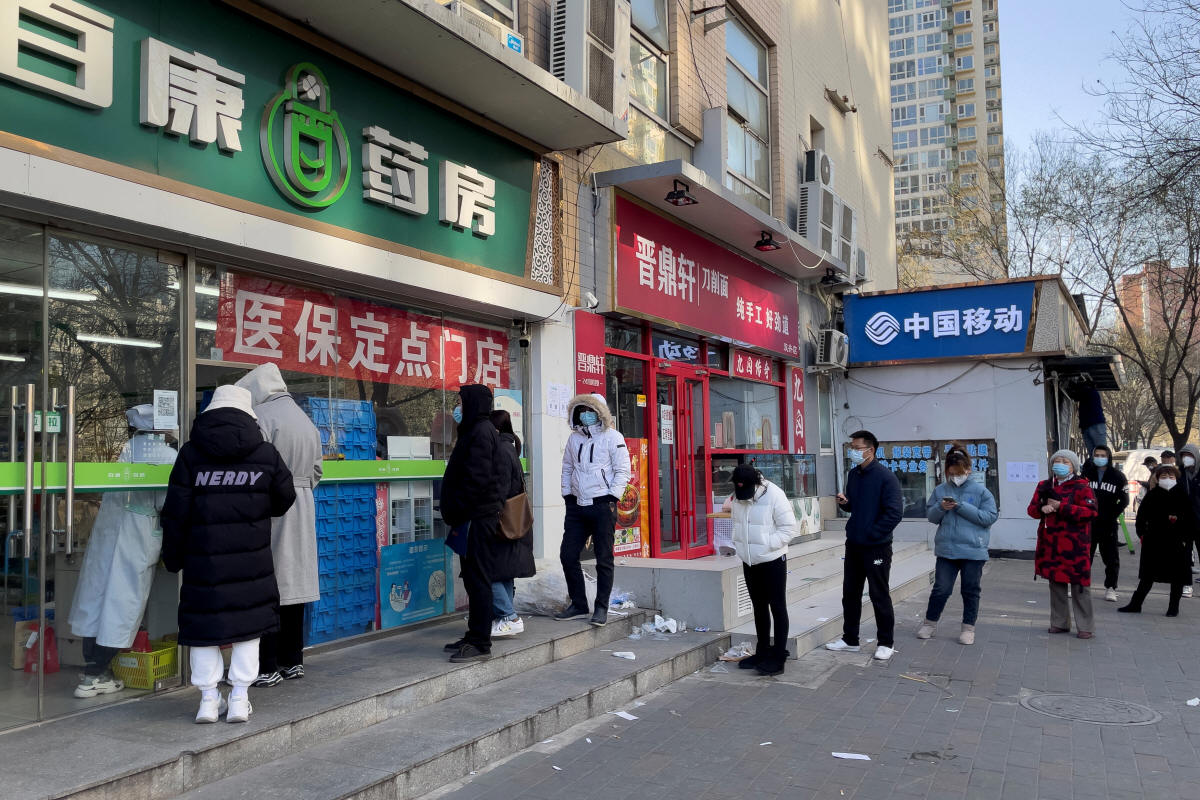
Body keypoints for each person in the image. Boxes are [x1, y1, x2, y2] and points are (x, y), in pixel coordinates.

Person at [161, 385, 296, 723]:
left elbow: (175, 513)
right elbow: (285, 496)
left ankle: (208, 700)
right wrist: (258, 506)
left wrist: (172, 557)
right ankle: (239, 698)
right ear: (248, 414)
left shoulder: (191, 455)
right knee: (248, 626)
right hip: (251, 561)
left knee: (204, 628)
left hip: (203, 562)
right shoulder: (264, 453)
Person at [68, 405, 177, 698]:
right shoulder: (169, 457)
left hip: (110, 531)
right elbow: (167, 503)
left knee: (97, 598)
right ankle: (96, 674)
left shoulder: (125, 450)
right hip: (137, 536)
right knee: (123, 602)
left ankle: (93, 667)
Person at [236, 363, 323, 687]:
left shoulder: (261, 418)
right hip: (303, 505)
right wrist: (302, 489)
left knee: (268, 584)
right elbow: (317, 472)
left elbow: (254, 468)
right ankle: (293, 659)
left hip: (273, 508)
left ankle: (267, 665)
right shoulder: (305, 420)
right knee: (295, 584)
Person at [439, 385, 506, 663]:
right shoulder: (475, 430)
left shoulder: (480, 431)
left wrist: (457, 509)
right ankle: (474, 634)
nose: (458, 407)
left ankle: (480, 642)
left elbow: (476, 480)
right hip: (472, 517)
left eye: (461, 402)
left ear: (473, 403)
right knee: (472, 578)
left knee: (478, 580)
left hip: (476, 519)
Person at [826, 430, 903, 661]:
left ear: (871, 450)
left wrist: (872, 533)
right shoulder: (854, 474)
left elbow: (894, 513)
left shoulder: (886, 477)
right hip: (854, 544)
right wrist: (845, 503)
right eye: (851, 447)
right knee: (850, 593)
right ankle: (850, 639)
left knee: (879, 594)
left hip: (877, 546)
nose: (853, 452)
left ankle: (886, 642)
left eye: (857, 448)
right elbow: (855, 506)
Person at [556, 393, 631, 627]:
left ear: (600, 413)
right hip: (577, 506)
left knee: (604, 559)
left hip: (602, 505)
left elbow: (623, 470)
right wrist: (567, 495)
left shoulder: (613, 437)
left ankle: (601, 608)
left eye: (590, 411)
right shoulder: (574, 438)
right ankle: (579, 604)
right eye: (581, 411)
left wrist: (612, 496)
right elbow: (567, 467)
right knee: (568, 555)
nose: (585, 415)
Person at [917, 452, 998, 646]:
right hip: (947, 549)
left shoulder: (981, 492)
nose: (955, 477)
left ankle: (968, 628)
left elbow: (989, 518)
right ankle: (929, 623)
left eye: (959, 473)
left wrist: (960, 506)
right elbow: (931, 517)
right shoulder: (940, 490)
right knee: (941, 589)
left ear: (968, 470)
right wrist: (941, 507)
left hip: (973, 550)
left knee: (970, 590)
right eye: (951, 473)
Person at [727, 464, 797, 676]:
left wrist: (767, 545)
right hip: (749, 562)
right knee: (758, 607)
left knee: (777, 606)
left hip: (772, 560)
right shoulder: (738, 496)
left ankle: (778, 656)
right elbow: (737, 523)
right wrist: (741, 547)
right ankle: (763, 650)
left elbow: (789, 528)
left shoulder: (774, 494)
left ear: (756, 484)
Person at [1027, 449, 1098, 639]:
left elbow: (1090, 512)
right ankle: (1059, 622)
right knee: (1056, 583)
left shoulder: (1082, 487)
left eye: (1065, 462)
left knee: (1080, 586)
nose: (1060, 465)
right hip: (1051, 543)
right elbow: (1031, 510)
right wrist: (1042, 508)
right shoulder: (1044, 485)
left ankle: (1085, 626)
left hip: (1076, 545)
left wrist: (1062, 507)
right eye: (1057, 461)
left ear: (1073, 466)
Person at [1119, 465, 1194, 616]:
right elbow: (1141, 517)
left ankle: (1173, 607)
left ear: (1176, 479)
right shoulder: (1152, 495)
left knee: (1177, 577)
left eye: (1171, 477)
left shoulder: (1182, 495)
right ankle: (1136, 604)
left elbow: (1191, 519)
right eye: (1164, 477)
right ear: (1158, 479)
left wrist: (1185, 538)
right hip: (1154, 542)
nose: (1168, 480)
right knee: (1147, 576)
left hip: (1177, 543)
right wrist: (1142, 534)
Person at [485, 409, 535, 638]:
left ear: (495, 429)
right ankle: (505, 617)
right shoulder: (509, 447)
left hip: (502, 522)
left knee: (489, 571)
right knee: (503, 572)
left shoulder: (501, 451)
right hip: (510, 522)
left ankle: (510, 617)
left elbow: (501, 488)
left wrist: (490, 514)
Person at [1080, 444, 1128, 602]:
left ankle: (1111, 588)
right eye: (1097, 455)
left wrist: (1112, 514)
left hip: (1108, 524)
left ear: (1109, 457)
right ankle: (1080, 585)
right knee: (1084, 556)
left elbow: (1125, 500)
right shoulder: (1086, 474)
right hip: (1088, 523)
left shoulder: (1118, 476)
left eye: (1103, 455)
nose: (1100, 458)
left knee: (1111, 557)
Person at [1070, 383, 1107, 456]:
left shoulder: (1089, 392)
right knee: (1097, 453)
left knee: (1099, 453)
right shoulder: (1090, 393)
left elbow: (1075, 396)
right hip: (1090, 426)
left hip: (1094, 425)